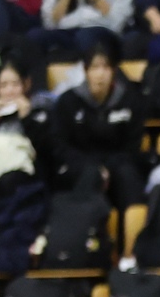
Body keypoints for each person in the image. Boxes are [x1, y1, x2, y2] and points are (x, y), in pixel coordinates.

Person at [49, 48, 149, 206]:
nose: (100, 74)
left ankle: (134, 220)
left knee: (128, 174)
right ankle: (84, 220)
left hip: (118, 164)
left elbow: (133, 146)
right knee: (90, 175)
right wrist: (94, 167)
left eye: (106, 67)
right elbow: (60, 146)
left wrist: (108, 167)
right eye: (95, 68)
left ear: (114, 71)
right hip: (80, 165)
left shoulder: (129, 100)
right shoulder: (68, 101)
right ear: (85, 70)